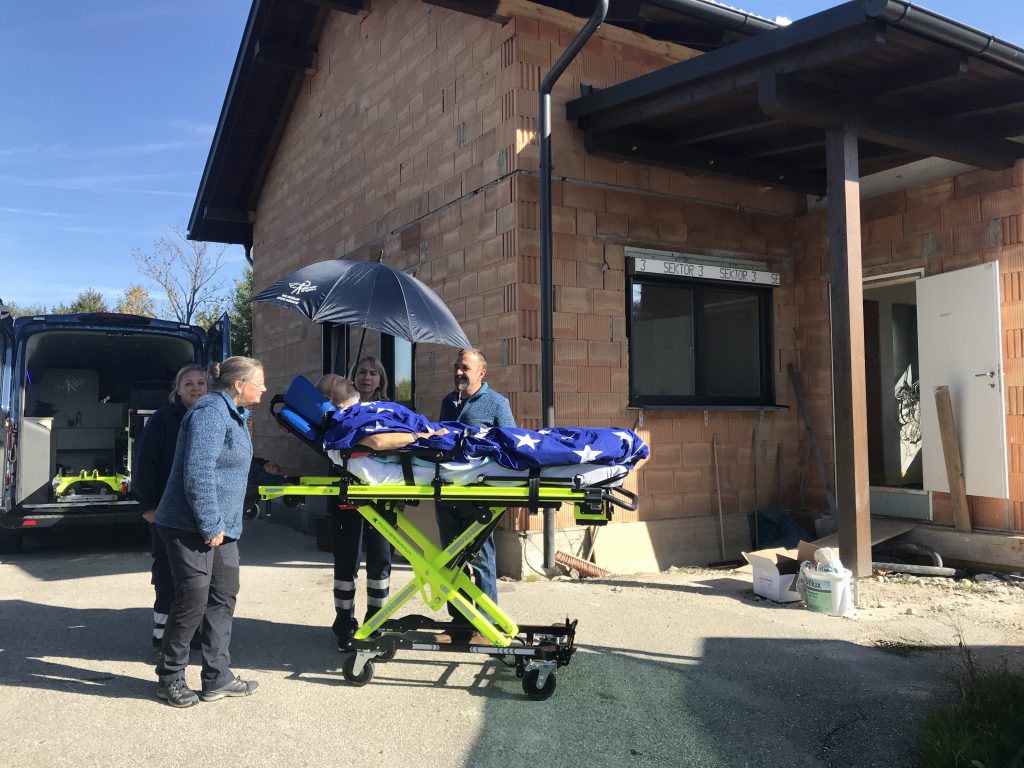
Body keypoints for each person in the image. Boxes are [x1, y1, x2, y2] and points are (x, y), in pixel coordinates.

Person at [153, 356, 265, 707]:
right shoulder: (209, 413)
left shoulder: (233, 414)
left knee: (223, 594)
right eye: (259, 382)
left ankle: (217, 676)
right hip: (192, 525)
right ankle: (170, 677)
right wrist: (210, 523)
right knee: (192, 597)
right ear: (238, 385)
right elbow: (197, 472)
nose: (264, 388)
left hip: (223, 526)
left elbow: (230, 468)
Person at [317, 365, 396, 651]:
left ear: (380, 380)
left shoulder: (388, 409)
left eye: (373, 373)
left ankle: (376, 623)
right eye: (361, 372)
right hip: (346, 491)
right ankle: (344, 626)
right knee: (346, 560)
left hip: (382, 493)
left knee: (380, 558)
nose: (366, 377)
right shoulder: (336, 412)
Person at [133, 363, 208, 656]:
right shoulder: (163, 420)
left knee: (198, 577)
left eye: (201, 383)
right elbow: (145, 464)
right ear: (177, 390)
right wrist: (147, 506)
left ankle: (193, 631)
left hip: (200, 514)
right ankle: (161, 634)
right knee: (166, 573)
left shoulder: (211, 419)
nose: (195, 388)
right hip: (165, 513)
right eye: (188, 383)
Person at [436, 348, 515, 616]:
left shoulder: (497, 403)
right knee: (450, 558)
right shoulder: (448, 401)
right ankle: (459, 621)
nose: (458, 372)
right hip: (447, 489)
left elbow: (512, 445)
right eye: (456, 367)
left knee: (481, 558)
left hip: (480, 491)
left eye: (465, 368)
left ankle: (487, 620)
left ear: (481, 373)